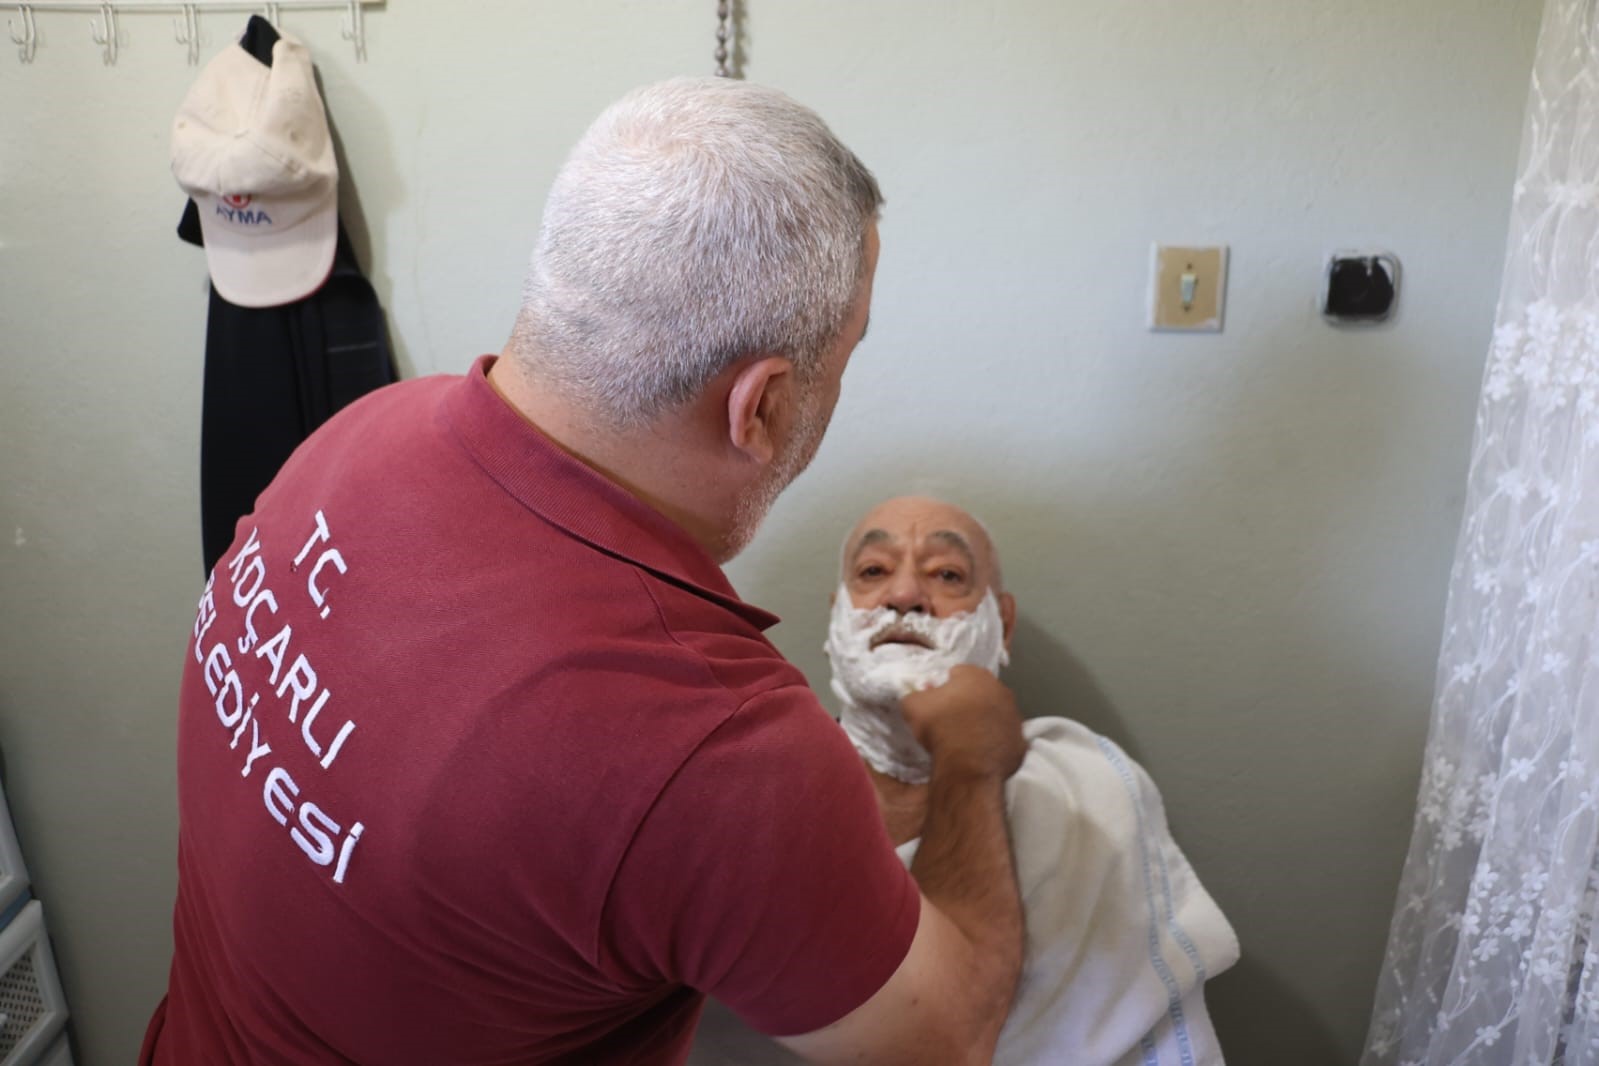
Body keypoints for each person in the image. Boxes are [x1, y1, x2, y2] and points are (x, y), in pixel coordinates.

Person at [141, 79, 1028, 1065]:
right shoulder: (714, 751)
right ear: (763, 406)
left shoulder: (356, 436)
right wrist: (973, 754)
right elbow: (947, 1034)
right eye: (848, 353)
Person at [691, 496, 1241, 1066]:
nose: (905, 595)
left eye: (947, 575)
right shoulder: (753, 808)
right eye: (874, 571)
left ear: (1002, 625)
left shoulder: (1085, 786)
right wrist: (969, 763)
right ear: (837, 617)